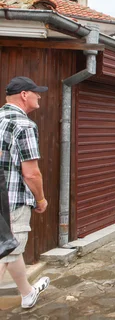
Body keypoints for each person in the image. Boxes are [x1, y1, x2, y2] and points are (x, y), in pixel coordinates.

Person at [0, 77, 50, 309]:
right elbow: (31, 173)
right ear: (24, 95)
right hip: (11, 201)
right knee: (8, 251)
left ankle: (27, 293)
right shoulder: (24, 125)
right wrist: (40, 199)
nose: (39, 96)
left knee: (11, 247)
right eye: (36, 92)